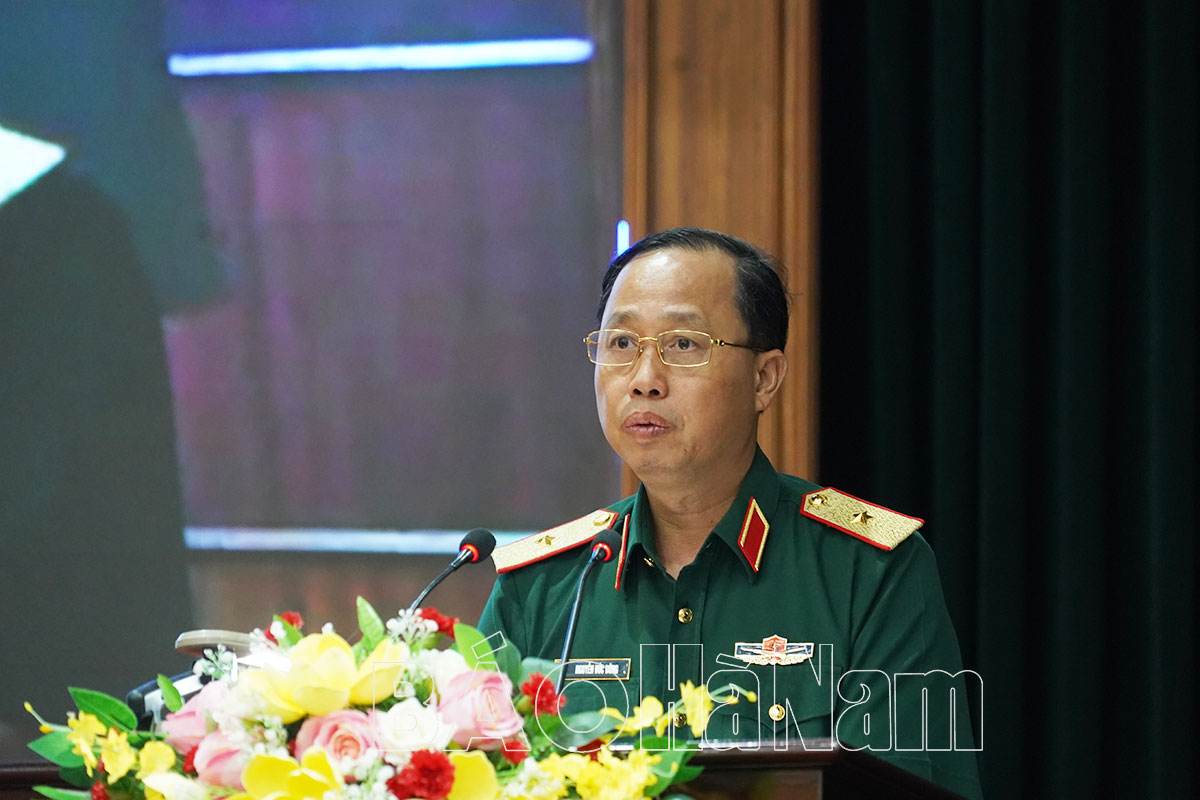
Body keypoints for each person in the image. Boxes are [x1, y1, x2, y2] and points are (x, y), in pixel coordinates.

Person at [478, 228, 982, 798]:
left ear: (764, 378)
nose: (644, 380)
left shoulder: (869, 572)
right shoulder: (541, 587)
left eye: (684, 345)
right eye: (621, 344)